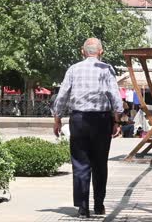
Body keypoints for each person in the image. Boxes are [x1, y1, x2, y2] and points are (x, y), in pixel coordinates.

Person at [53, 38, 123, 218]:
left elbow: (62, 96)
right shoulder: (106, 69)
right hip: (101, 120)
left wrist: (57, 118)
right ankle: (99, 204)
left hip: (79, 119)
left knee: (80, 163)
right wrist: (117, 120)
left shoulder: (73, 69)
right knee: (100, 163)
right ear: (101, 52)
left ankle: (83, 207)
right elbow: (114, 95)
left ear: (82, 51)